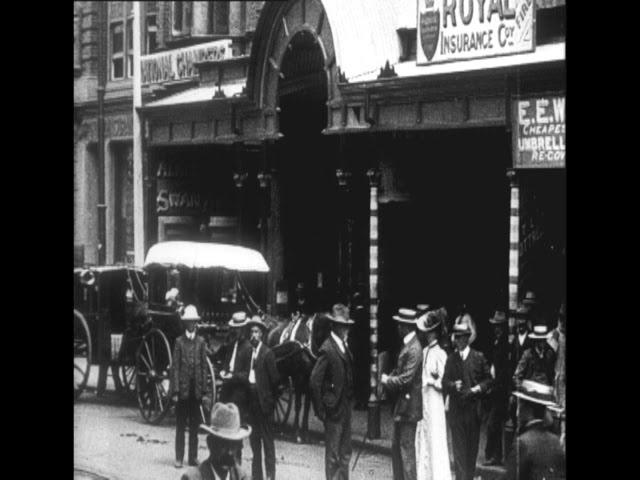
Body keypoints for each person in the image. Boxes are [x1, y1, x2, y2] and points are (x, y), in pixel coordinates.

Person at [443, 322, 493, 480]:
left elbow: (489, 380)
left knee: (471, 453)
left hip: (473, 412)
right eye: (456, 337)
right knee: (459, 454)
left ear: (467, 339)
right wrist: (452, 385)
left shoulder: (478, 357)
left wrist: (476, 389)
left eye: (461, 337)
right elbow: (444, 382)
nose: (458, 341)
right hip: (457, 413)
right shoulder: (451, 359)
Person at [310, 309, 355, 480]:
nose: (346, 330)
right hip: (333, 410)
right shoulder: (327, 348)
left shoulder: (344, 346)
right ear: (335, 327)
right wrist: (321, 409)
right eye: (343, 326)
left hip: (345, 408)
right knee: (333, 456)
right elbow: (314, 381)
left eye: (347, 326)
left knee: (345, 454)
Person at [381, 308, 423, 480]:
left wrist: (387, 381)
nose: (397, 327)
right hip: (402, 406)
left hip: (409, 408)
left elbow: (405, 379)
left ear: (406, 327)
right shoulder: (408, 345)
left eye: (400, 324)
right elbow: (400, 371)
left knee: (406, 451)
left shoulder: (414, 348)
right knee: (397, 448)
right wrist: (390, 377)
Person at [170, 305, 212, 468]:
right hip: (183, 391)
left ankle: (192, 457)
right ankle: (179, 457)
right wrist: (175, 391)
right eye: (188, 322)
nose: (191, 325)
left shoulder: (201, 342)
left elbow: (203, 367)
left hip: (196, 391)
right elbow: (175, 367)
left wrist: (204, 391)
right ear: (185, 323)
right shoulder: (179, 342)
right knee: (181, 426)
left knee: (195, 426)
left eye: (193, 322)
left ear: (196, 323)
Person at [503, 380, 566, 480]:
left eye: (520, 405)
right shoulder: (556, 442)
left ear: (527, 409)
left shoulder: (523, 443)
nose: (517, 412)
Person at [414, 311, 451, 480]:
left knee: (435, 437)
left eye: (429, 332)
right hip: (424, 400)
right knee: (424, 436)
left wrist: (432, 381)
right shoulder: (424, 351)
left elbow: (445, 381)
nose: (426, 335)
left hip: (435, 401)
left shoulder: (440, 354)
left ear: (434, 333)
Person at [245, 316, 280, 480]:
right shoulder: (249, 352)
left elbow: (276, 382)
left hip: (264, 404)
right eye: (252, 331)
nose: (254, 335)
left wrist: (270, 401)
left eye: (257, 332)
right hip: (252, 403)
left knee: (268, 442)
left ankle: (270, 475)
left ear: (262, 334)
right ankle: (256, 476)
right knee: (254, 441)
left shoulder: (267, 354)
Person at [182, 402, 251, 480]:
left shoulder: (241, 477)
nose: (230, 452)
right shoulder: (193, 478)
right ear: (210, 443)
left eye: (234, 446)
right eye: (224, 445)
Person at [483, 310, 512, 466]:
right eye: (495, 326)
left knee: (493, 424)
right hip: (496, 388)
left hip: (500, 390)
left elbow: (504, 371)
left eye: (499, 326)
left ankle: (496, 455)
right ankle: (497, 455)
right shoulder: (497, 342)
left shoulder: (504, 344)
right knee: (495, 424)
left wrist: (494, 386)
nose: (496, 329)